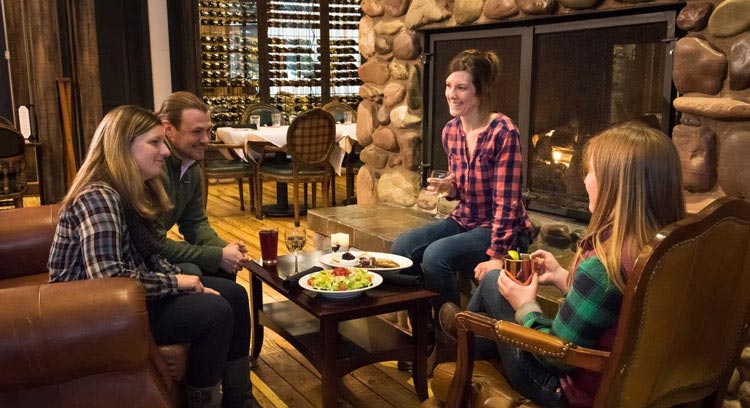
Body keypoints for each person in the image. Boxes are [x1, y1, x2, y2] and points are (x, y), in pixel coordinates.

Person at [443, 122, 685, 406]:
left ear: (616, 185)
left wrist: (526, 306)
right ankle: (470, 338)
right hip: (640, 388)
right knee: (494, 286)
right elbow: (614, 313)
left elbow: (555, 358)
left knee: (492, 280)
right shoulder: (668, 249)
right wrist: (562, 278)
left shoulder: (604, 265)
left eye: (591, 171)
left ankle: (461, 338)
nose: (584, 181)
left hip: (569, 390)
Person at [48, 105, 259, 408]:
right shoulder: (99, 195)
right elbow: (108, 281)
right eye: (154, 143)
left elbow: (150, 254)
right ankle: (201, 402)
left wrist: (184, 279)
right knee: (215, 312)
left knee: (235, 296)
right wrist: (179, 282)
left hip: (123, 301)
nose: (166, 151)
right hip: (91, 314)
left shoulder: (132, 189)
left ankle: (240, 400)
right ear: (122, 147)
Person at [391, 49, 533, 315]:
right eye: (448, 85)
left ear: (480, 93)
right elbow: (464, 187)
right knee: (402, 247)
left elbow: (507, 201)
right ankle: (427, 326)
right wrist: (450, 188)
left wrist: (498, 256)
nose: (451, 94)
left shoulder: (503, 132)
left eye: (461, 88)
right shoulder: (451, 131)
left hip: (503, 228)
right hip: (465, 219)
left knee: (436, 256)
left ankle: (453, 334)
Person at [158, 91, 247, 281]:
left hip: (156, 249)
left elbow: (195, 222)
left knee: (224, 269)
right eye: (197, 132)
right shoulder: (154, 169)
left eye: (208, 130)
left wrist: (224, 248)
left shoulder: (191, 168)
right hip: (137, 259)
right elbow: (154, 243)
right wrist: (217, 255)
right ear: (168, 129)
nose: (206, 139)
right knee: (194, 270)